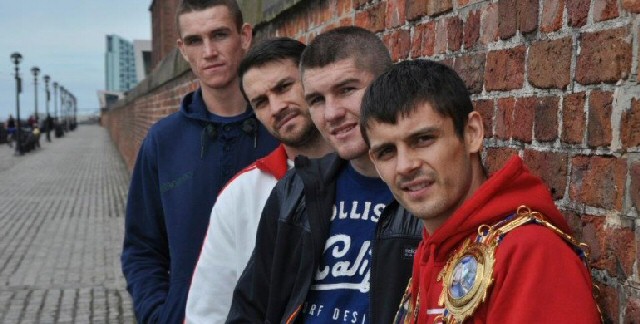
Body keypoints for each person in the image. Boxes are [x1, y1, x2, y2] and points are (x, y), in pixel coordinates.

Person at [359, 59, 601, 323]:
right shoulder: (431, 248)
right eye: (387, 152)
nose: (405, 166)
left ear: (472, 133)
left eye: (423, 139)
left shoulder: (530, 253)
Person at [227, 26, 423, 323]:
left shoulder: (427, 192)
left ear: (386, 84)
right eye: (316, 99)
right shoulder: (297, 190)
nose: (331, 113)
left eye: (346, 90)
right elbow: (250, 308)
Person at [120, 0, 279, 323]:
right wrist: (159, 314)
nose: (209, 51)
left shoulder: (280, 130)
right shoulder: (163, 142)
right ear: (182, 49)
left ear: (244, 36)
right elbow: (141, 247)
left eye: (219, 35)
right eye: (195, 40)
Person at [185, 37, 334, 323]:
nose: (276, 107)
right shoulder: (240, 195)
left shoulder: (378, 171)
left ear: (312, 81)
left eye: (283, 87)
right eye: (261, 102)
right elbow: (207, 312)